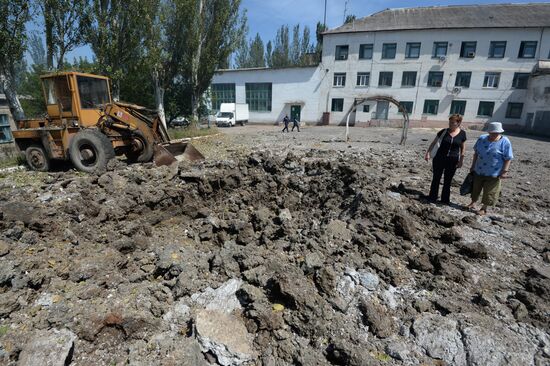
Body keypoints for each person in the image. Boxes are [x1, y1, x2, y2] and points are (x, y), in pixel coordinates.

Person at [467, 122, 513, 216]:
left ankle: (484, 208)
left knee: (490, 192)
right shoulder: (482, 138)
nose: (493, 135)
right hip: (479, 169)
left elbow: (508, 158)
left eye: (496, 133)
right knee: (475, 188)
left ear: (500, 132)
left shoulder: (505, 141)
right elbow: (476, 153)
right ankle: (473, 203)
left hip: (494, 172)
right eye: (492, 133)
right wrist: (472, 166)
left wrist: (504, 171)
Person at [424, 114, 467, 204]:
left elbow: (463, 147)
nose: (450, 125)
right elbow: (434, 142)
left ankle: (445, 199)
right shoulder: (443, 131)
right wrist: (428, 153)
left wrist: (461, 160)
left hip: (453, 160)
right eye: (449, 122)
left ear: (458, 123)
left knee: (448, 180)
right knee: (436, 178)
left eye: (452, 123)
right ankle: (432, 197)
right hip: (439, 158)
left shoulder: (462, 133)